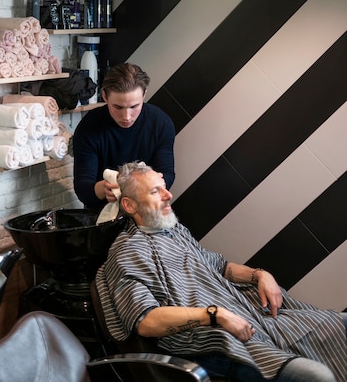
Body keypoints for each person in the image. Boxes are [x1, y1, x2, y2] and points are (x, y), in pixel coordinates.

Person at [96, 161, 347, 382]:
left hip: (248, 314)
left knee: (341, 325)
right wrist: (216, 315)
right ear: (129, 205)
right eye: (155, 191)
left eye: (163, 187)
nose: (168, 194)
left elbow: (220, 266)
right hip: (213, 342)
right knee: (317, 376)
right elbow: (146, 321)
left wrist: (260, 275)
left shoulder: (173, 230)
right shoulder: (129, 252)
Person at [73, 63, 175, 210]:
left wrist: (153, 182)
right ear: (105, 97)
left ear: (144, 94)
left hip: (147, 209)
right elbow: (83, 188)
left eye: (134, 106)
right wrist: (103, 189)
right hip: (101, 215)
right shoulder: (89, 127)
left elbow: (167, 173)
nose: (126, 117)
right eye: (118, 107)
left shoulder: (160, 124)